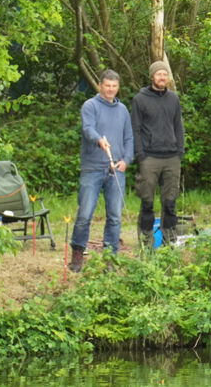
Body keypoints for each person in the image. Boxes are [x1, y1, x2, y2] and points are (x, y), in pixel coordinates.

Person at [69, 69, 134, 273]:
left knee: (115, 216)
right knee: (85, 214)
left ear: (118, 87)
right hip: (92, 168)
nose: (110, 90)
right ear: (100, 86)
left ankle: (110, 258)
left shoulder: (123, 110)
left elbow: (129, 138)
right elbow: (88, 129)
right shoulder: (90, 105)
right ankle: (78, 254)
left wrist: (126, 160)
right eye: (107, 86)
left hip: (116, 170)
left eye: (114, 86)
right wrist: (99, 140)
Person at [131, 61, 185, 246]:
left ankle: (169, 242)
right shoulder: (140, 99)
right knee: (147, 202)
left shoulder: (173, 99)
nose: (162, 77)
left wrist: (180, 151)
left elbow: (178, 126)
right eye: (159, 74)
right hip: (149, 158)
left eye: (165, 74)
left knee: (170, 203)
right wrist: (140, 154)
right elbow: (135, 129)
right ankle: (146, 243)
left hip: (172, 157)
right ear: (152, 76)